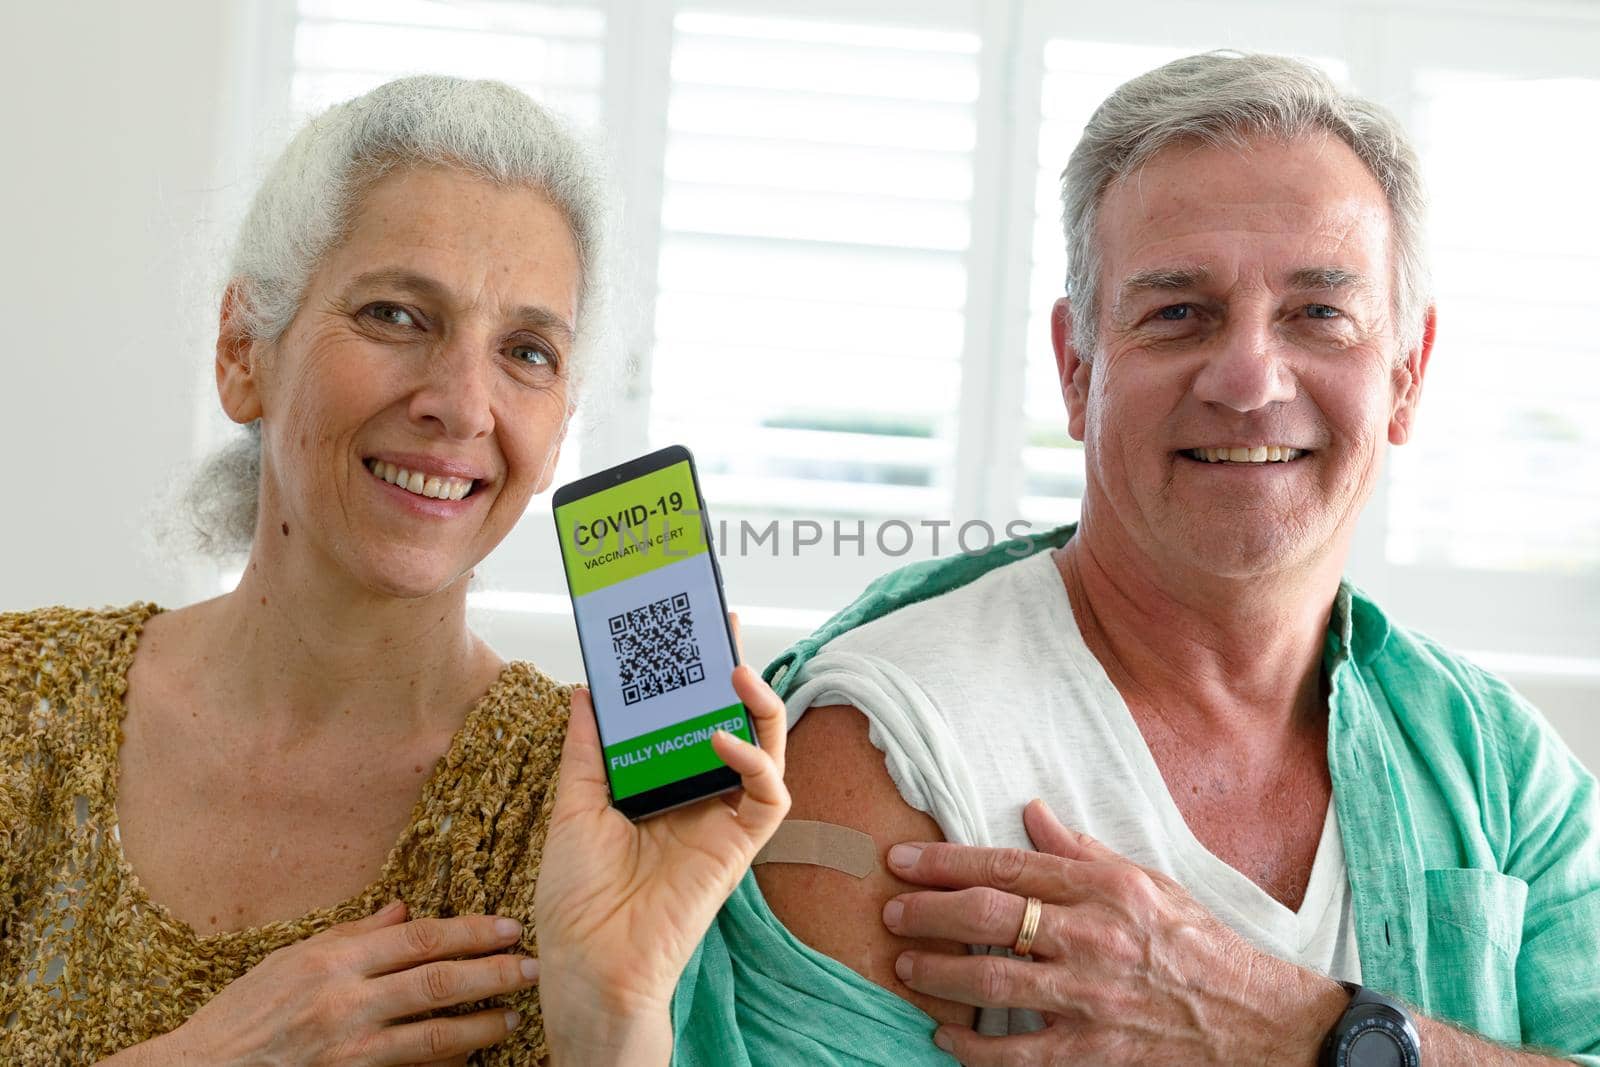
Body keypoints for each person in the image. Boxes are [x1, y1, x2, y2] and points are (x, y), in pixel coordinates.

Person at [674, 51, 1600, 1064]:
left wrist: (1289, 1024)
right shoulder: (890, 747)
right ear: (1077, 369)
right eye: (1177, 312)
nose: (1248, 378)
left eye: (1317, 313)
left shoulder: (1496, 769)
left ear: (1406, 375)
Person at [0, 75, 791, 1066]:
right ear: (244, 351)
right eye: (396, 314)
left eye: (527, 351)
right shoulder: (21, 704)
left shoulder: (595, 813)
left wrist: (617, 1017)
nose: (461, 404)